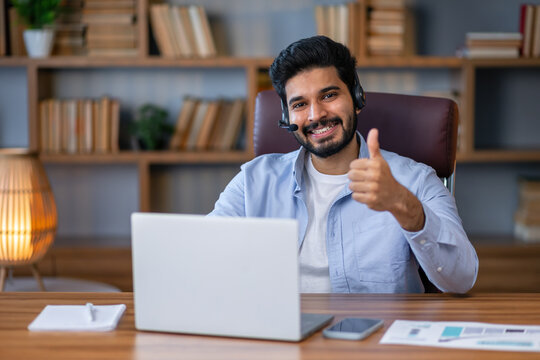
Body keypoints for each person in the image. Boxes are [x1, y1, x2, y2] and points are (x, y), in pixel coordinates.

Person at [209, 36, 478, 294]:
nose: (316, 115)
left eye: (328, 95)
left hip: (378, 337)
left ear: (357, 98)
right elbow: (203, 254)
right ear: (286, 117)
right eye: (300, 104)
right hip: (281, 336)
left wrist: (404, 205)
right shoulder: (253, 181)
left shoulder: (415, 180)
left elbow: (462, 278)